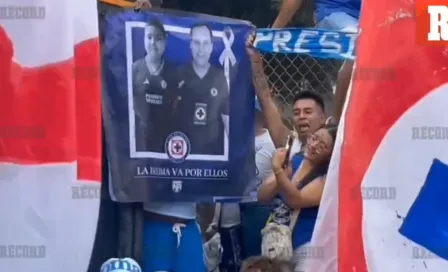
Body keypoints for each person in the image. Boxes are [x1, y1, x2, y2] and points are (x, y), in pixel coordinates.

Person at [205, 99, 275, 271]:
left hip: (256, 207)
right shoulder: (229, 139)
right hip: (228, 213)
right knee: (229, 259)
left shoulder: (270, 141)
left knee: (253, 257)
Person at [261, 124, 337, 271]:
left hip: (306, 248)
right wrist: (280, 178)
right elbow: (262, 197)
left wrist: (278, 171)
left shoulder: (328, 177)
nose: (314, 145)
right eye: (314, 138)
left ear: (330, 155)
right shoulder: (293, 159)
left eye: (322, 146)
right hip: (276, 244)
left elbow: (295, 200)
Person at [172, 23, 229, 156]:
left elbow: (228, 123)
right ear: (190, 45)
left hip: (212, 159)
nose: (201, 50)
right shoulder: (176, 75)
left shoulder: (221, 79)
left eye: (205, 43)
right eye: (196, 43)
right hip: (180, 154)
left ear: (211, 47)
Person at [132, 19, 178, 153]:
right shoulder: (135, 69)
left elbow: (176, 109)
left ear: (165, 41)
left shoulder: (173, 74)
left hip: (165, 142)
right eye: (149, 37)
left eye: (158, 38)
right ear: (144, 39)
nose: (153, 43)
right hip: (139, 141)